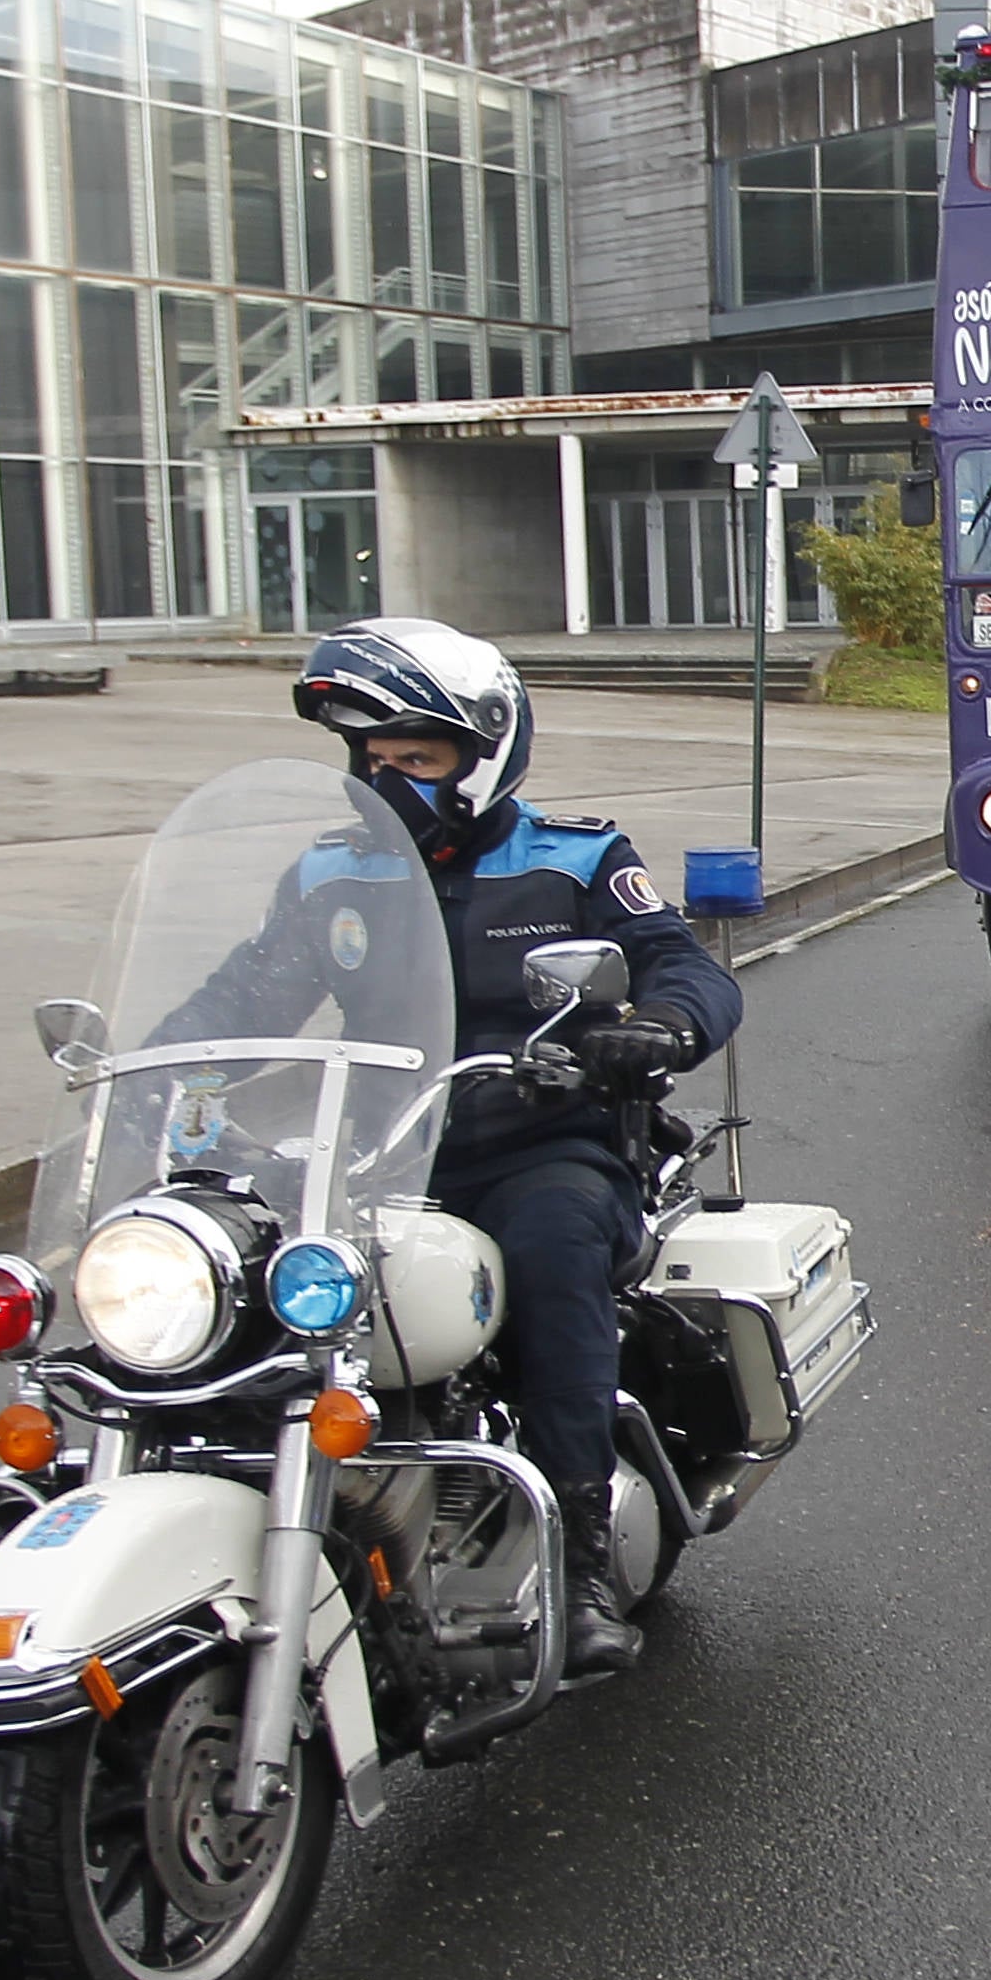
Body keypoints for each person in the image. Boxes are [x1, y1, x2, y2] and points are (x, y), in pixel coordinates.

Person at [294, 621, 743, 1676]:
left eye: (417, 757)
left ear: (484, 751)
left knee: (549, 1258)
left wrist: (660, 1027)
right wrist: (165, 1068)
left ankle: (578, 1556)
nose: (389, 780)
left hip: (540, 1141)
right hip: (378, 1161)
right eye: (373, 760)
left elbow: (689, 970)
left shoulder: (574, 857)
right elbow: (239, 991)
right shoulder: (329, 877)